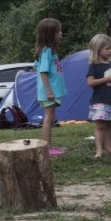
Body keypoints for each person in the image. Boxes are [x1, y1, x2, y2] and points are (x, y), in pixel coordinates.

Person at [34, 18, 66, 156]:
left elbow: (36, 66)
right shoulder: (46, 51)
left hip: (52, 90)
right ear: (50, 34)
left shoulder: (49, 51)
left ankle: (49, 146)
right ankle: (47, 148)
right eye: (58, 31)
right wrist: (48, 90)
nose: (61, 34)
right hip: (49, 92)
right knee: (48, 117)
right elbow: (42, 71)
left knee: (50, 117)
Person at [86, 34, 111, 159]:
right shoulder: (94, 66)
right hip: (100, 101)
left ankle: (109, 148)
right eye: (107, 48)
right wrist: (107, 79)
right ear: (98, 49)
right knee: (100, 126)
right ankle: (99, 150)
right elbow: (90, 82)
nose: (110, 51)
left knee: (108, 126)